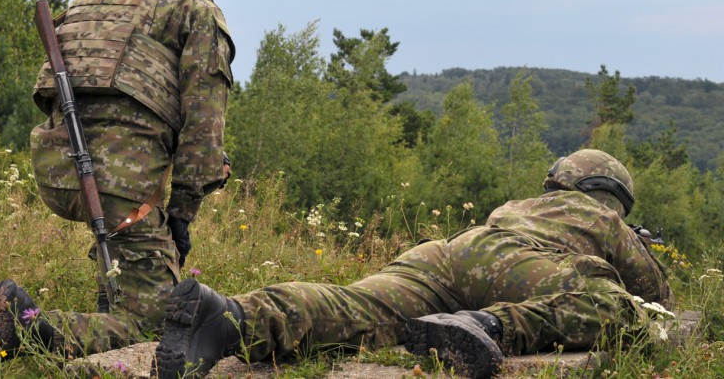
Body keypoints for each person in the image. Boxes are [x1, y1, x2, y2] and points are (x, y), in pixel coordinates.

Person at [0, 0, 234, 370]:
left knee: (128, 280)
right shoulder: (196, 11)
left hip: (60, 166)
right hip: (120, 181)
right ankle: (18, 322)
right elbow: (204, 131)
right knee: (152, 323)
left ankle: (7, 339)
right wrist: (182, 215)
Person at [154, 149, 674, 378]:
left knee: (357, 306)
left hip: (450, 253)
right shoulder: (604, 220)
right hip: (514, 270)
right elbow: (655, 298)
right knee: (620, 309)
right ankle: (484, 325)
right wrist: (639, 247)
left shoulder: (522, 206)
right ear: (611, 197)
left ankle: (229, 318)